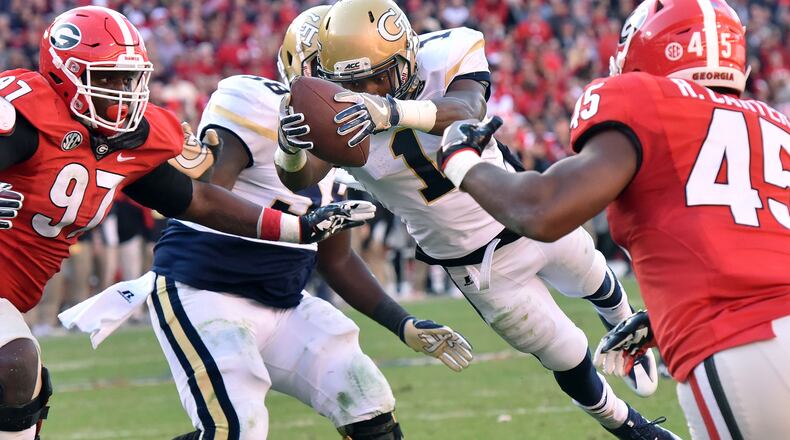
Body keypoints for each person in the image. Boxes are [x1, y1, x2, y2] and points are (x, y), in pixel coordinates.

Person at [276, 1, 677, 438]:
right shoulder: (339, 119)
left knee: (594, 276)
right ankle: (632, 429)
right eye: (356, 83)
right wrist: (291, 147)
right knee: (565, 353)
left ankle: (626, 326)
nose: (372, 88)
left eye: (381, 75)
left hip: (522, 211)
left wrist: (392, 112)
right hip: (476, 267)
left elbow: (468, 107)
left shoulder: (447, 53)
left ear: (408, 54)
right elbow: (301, 176)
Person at [0, 7, 371, 440]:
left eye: (127, 77)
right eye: (106, 78)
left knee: (20, 382)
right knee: (17, 362)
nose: (122, 91)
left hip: (13, 293)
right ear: (65, 75)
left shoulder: (132, 139)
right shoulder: (26, 112)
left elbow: (200, 201)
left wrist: (301, 228)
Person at [435, 0, 790, 438]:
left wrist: (462, 161)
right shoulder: (776, 124)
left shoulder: (641, 97)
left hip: (740, 346)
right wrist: (667, 318)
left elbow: (543, 212)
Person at [156, 7, 471, 440]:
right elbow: (207, 199)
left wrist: (403, 323)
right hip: (206, 290)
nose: (347, 89)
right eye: (330, 73)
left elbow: (336, 260)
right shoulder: (251, 99)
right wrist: (295, 224)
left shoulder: (354, 140)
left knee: (369, 402)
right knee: (237, 430)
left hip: (284, 300)